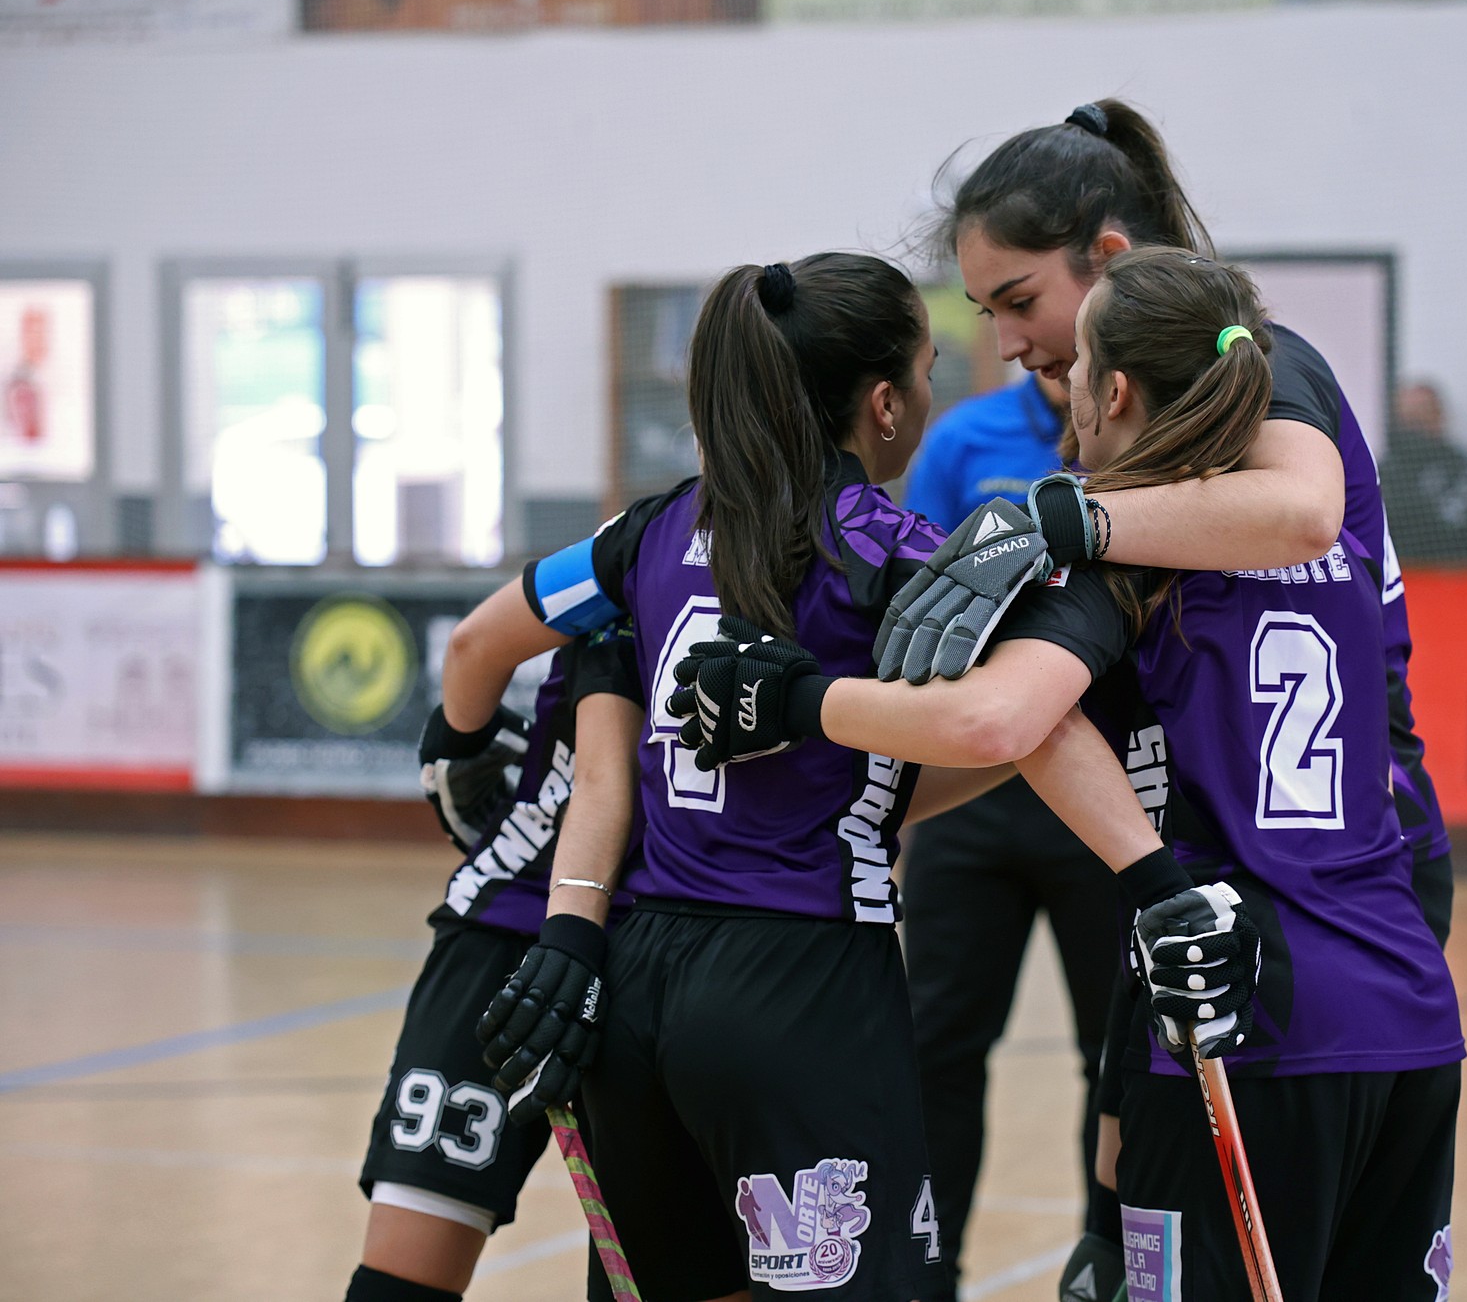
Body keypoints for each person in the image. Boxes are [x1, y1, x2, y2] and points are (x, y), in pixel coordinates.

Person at [679, 247, 1464, 1302]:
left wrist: (797, 703)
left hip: (1242, 1007)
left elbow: (1000, 717)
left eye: (1075, 369)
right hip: (1406, 1003)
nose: (1059, 391)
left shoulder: (1109, 553)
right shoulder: (1333, 522)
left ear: (1116, 390)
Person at [435, 252, 1168, 1302]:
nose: (929, 396)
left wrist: (456, 744)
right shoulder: (895, 550)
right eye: (924, 371)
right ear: (883, 404)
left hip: (636, 981)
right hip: (802, 981)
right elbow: (1024, 716)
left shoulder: (647, 533)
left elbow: (481, 640)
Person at [881, 99, 1454, 1295]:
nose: (1008, 343)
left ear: (1106, 266)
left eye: (1019, 303)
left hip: (1268, 933)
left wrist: (803, 724)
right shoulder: (1174, 496)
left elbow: (1004, 717)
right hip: (1383, 954)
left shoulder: (1238, 404)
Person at [898, 369, 1124, 1302]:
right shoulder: (964, 439)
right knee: (937, 1048)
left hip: (1101, 791)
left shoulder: (1138, 433)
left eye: (1021, 304)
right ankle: (926, 1274)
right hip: (972, 795)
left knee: (1114, 1060)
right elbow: (912, 595)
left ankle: (1107, 1269)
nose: (1014, 337)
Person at [346, 623, 641, 1302]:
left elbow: (471, 646)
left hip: (515, 915)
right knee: (662, 1269)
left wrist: (456, 737)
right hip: (670, 928)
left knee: (404, 1277)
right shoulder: (821, 571)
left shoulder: (613, 564)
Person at [1382, 378, 1467, 562]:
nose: (1412, 424)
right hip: (1394, 569)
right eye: (1406, 417)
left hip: (1453, 570)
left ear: (1439, 415)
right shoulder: (1384, 469)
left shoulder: (1462, 469)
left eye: (1420, 415)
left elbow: (1453, 529)